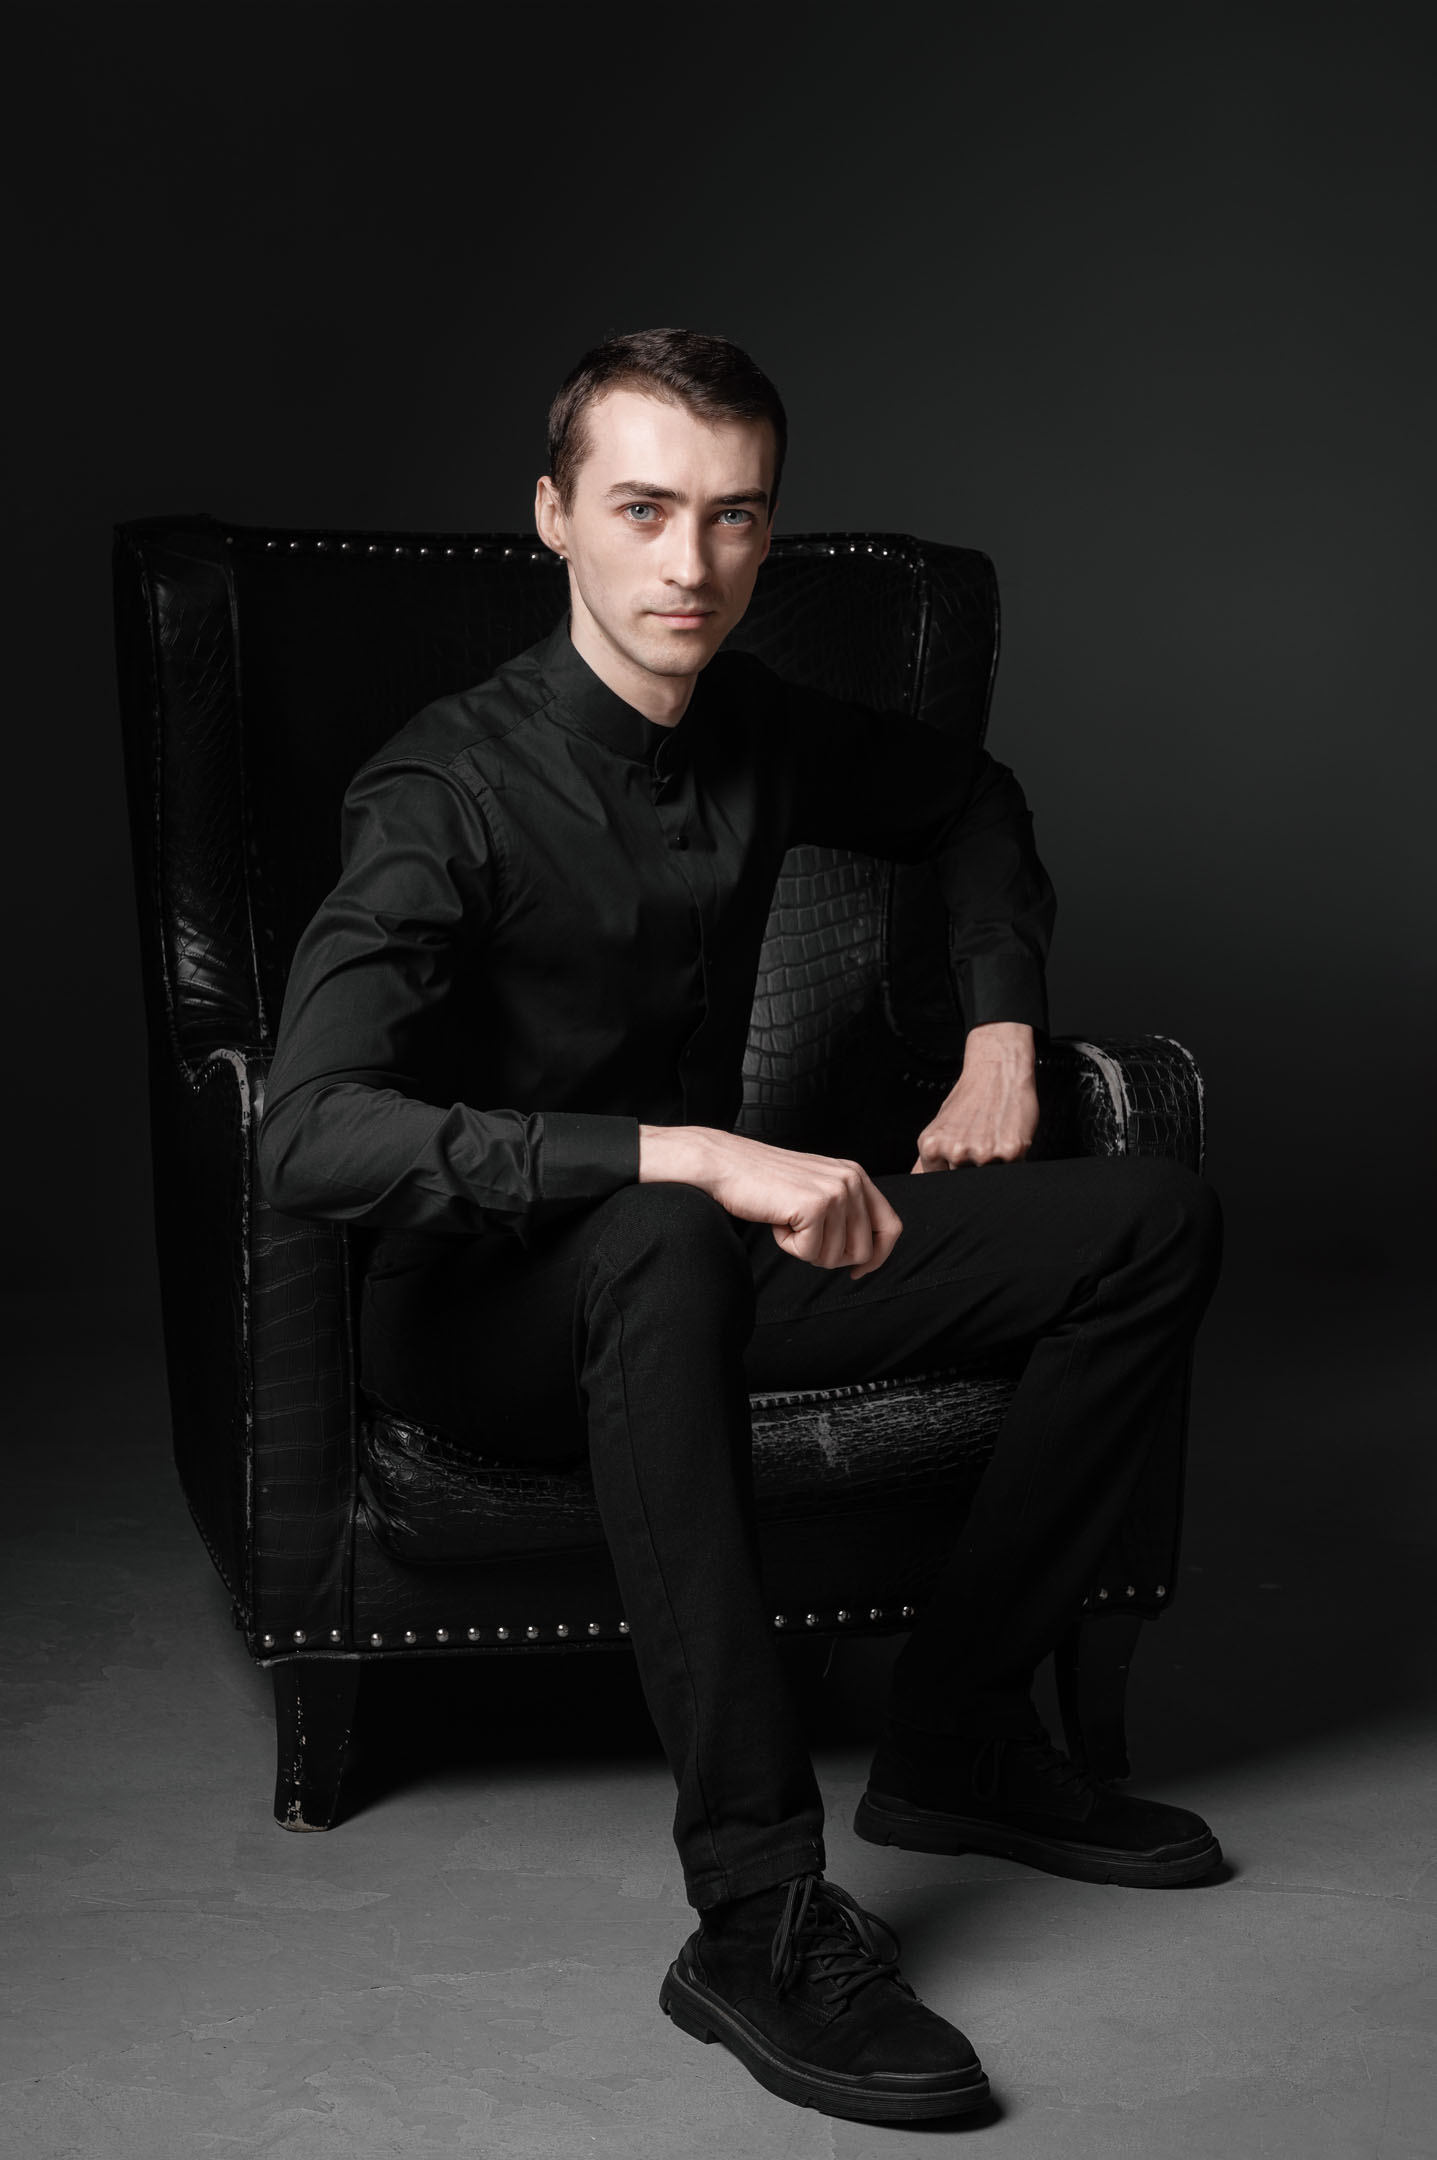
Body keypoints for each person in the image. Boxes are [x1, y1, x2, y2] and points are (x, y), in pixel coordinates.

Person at [257, 327, 1224, 2126]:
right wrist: (685, 1154)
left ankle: (959, 1733)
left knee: (1145, 1221)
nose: (690, 563)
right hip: (479, 1319)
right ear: (553, 518)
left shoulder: (757, 725)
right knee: (660, 1233)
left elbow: (970, 799)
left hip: (695, 1277)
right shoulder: (443, 792)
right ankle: (754, 1915)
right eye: (642, 510)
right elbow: (308, 1133)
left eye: (734, 516)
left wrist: (999, 1033)